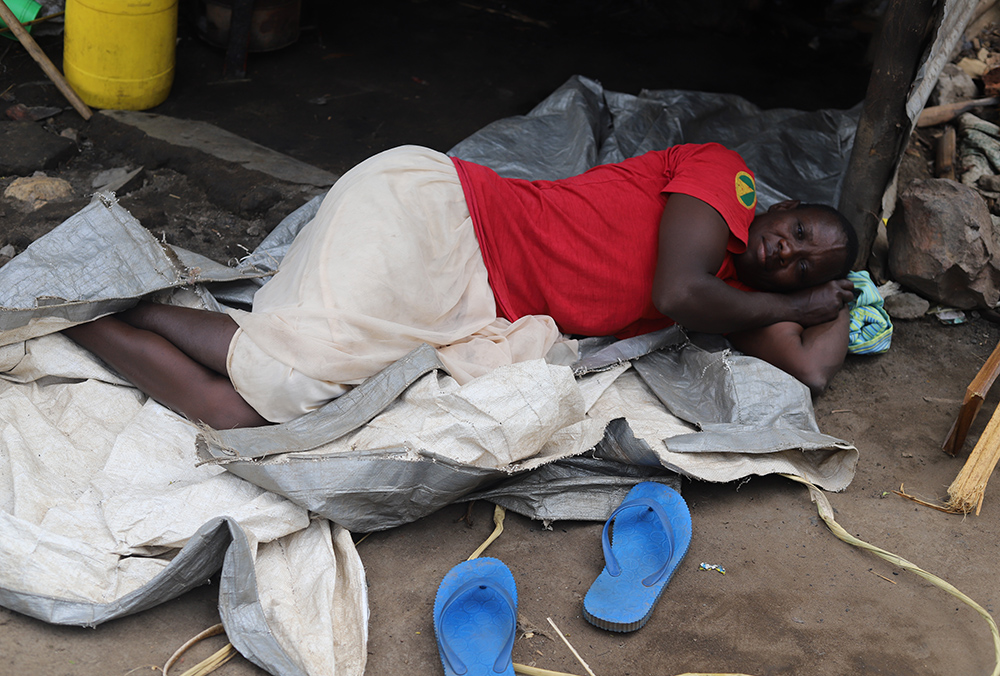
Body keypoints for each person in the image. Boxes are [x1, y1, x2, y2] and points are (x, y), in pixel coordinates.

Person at [64, 143, 858, 430]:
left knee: (244, 405)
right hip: (440, 216)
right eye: (796, 234)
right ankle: (87, 310)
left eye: (802, 264)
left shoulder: (744, 290)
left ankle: (78, 319)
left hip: (467, 298)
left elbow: (813, 367)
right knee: (278, 387)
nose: (785, 252)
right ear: (777, 201)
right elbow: (680, 293)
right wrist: (797, 301)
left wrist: (847, 299)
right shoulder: (725, 179)